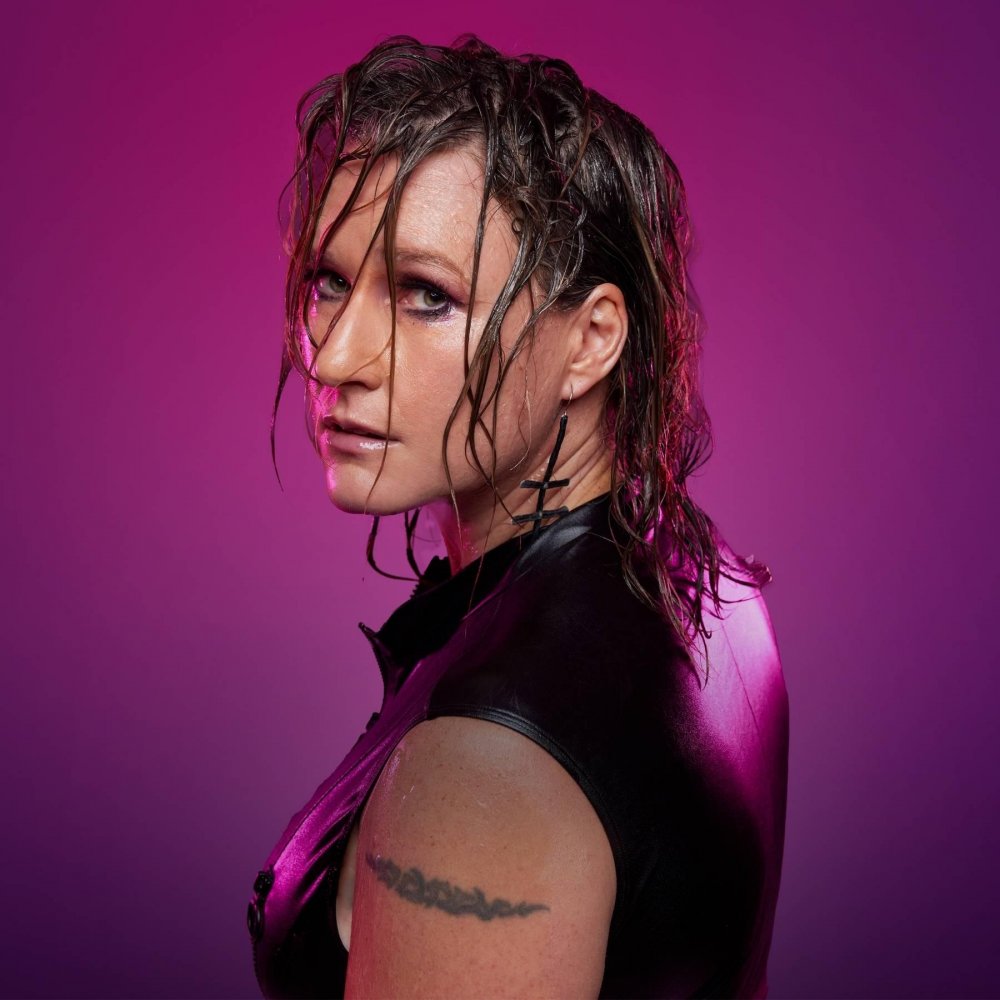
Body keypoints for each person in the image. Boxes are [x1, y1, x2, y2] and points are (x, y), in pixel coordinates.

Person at [247, 33, 789, 1000]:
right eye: (331, 281)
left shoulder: (484, 772)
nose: (335, 359)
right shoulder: (703, 586)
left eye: (427, 295)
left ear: (590, 341)